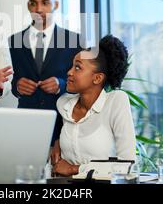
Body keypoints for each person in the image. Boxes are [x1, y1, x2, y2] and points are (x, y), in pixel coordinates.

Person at [9, 0, 82, 148]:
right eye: (33, 3)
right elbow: (9, 80)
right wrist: (17, 86)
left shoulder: (74, 41)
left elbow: (81, 82)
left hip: (62, 123)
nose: (39, 9)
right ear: (28, 5)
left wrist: (61, 84)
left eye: (45, 2)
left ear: (55, 5)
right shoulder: (13, 41)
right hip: (25, 124)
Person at [52, 35, 136, 177]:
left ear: (97, 78)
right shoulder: (64, 104)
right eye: (72, 66)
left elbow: (127, 165)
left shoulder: (116, 101)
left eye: (77, 67)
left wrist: (75, 169)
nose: (69, 72)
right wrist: (58, 142)